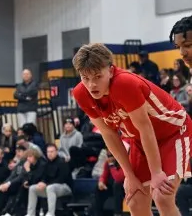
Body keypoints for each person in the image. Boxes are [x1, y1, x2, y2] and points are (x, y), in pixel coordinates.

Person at [72, 43, 191, 216]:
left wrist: (157, 172)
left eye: (98, 77)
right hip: (140, 140)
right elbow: (108, 134)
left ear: (111, 71)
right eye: (85, 78)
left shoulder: (124, 83)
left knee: (162, 195)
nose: (91, 85)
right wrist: (129, 175)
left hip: (173, 132)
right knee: (135, 199)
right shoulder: (81, 93)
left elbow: (145, 128)